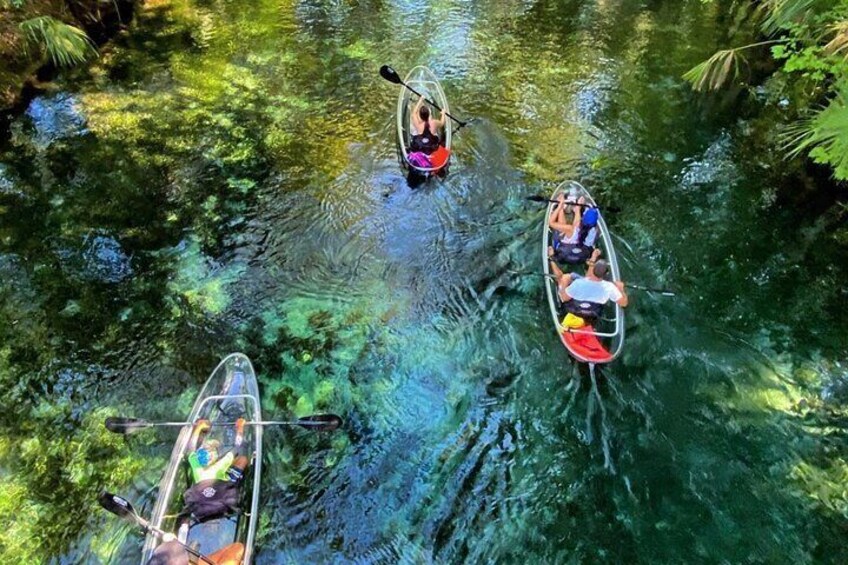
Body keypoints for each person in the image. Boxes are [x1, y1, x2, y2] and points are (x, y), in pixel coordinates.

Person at [549, 258, 628, 321]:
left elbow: (564, 298)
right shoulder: (610, 287)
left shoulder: (578, 283)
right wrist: (621, 289)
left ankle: (551, 260)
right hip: (592, 315)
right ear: (606, 274)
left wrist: (562, 286)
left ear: (592, 270)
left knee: (564, 278)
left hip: (574, 310)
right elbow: (624, 303)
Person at [187, 418, 248, 484]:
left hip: (206, 486)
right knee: (243, 460)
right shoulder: (219, 466)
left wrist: (198, 428)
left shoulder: (197, 467)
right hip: (225, 484)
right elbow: (237, 447)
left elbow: (191, 448)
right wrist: (240, 428)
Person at [548, 192, 601, 265]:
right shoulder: (594, 230)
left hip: (562, 253)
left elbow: (550, 223)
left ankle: (561, 209)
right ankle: (562, 209)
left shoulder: (572, 229)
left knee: (562, 229)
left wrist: (560, 206)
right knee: (565, 229)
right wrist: (578, 208)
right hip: (580, 256)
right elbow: (577, 223)